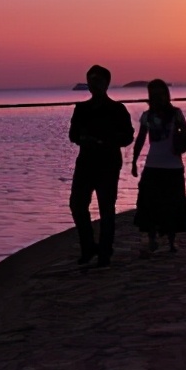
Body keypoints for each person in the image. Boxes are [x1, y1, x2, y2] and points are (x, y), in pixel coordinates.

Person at [68, 64, 135, 267]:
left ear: (106, 83)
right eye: (90, 80)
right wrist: (84, 138)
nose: (93, 84)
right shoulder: (81, 109)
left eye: (97, 80)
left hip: (108, 164)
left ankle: (105, 251)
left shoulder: (117, 109)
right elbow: (73, 135)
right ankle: (88, 247)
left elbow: (127, 136)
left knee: (106, 208)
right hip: (86, 163)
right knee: (77, 205)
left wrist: (106, 139)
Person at [131, 79, 186, 253]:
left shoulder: (176, 114)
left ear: (166, 94)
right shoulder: (147, 116)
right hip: (153, 165)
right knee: (149, 204)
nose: (157, 96)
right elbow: (140, 139)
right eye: (153, 93)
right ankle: (152, 238)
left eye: (160, 93)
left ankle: (171, 241)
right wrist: (134, 162)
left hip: (173, 166)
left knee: (173, 205)